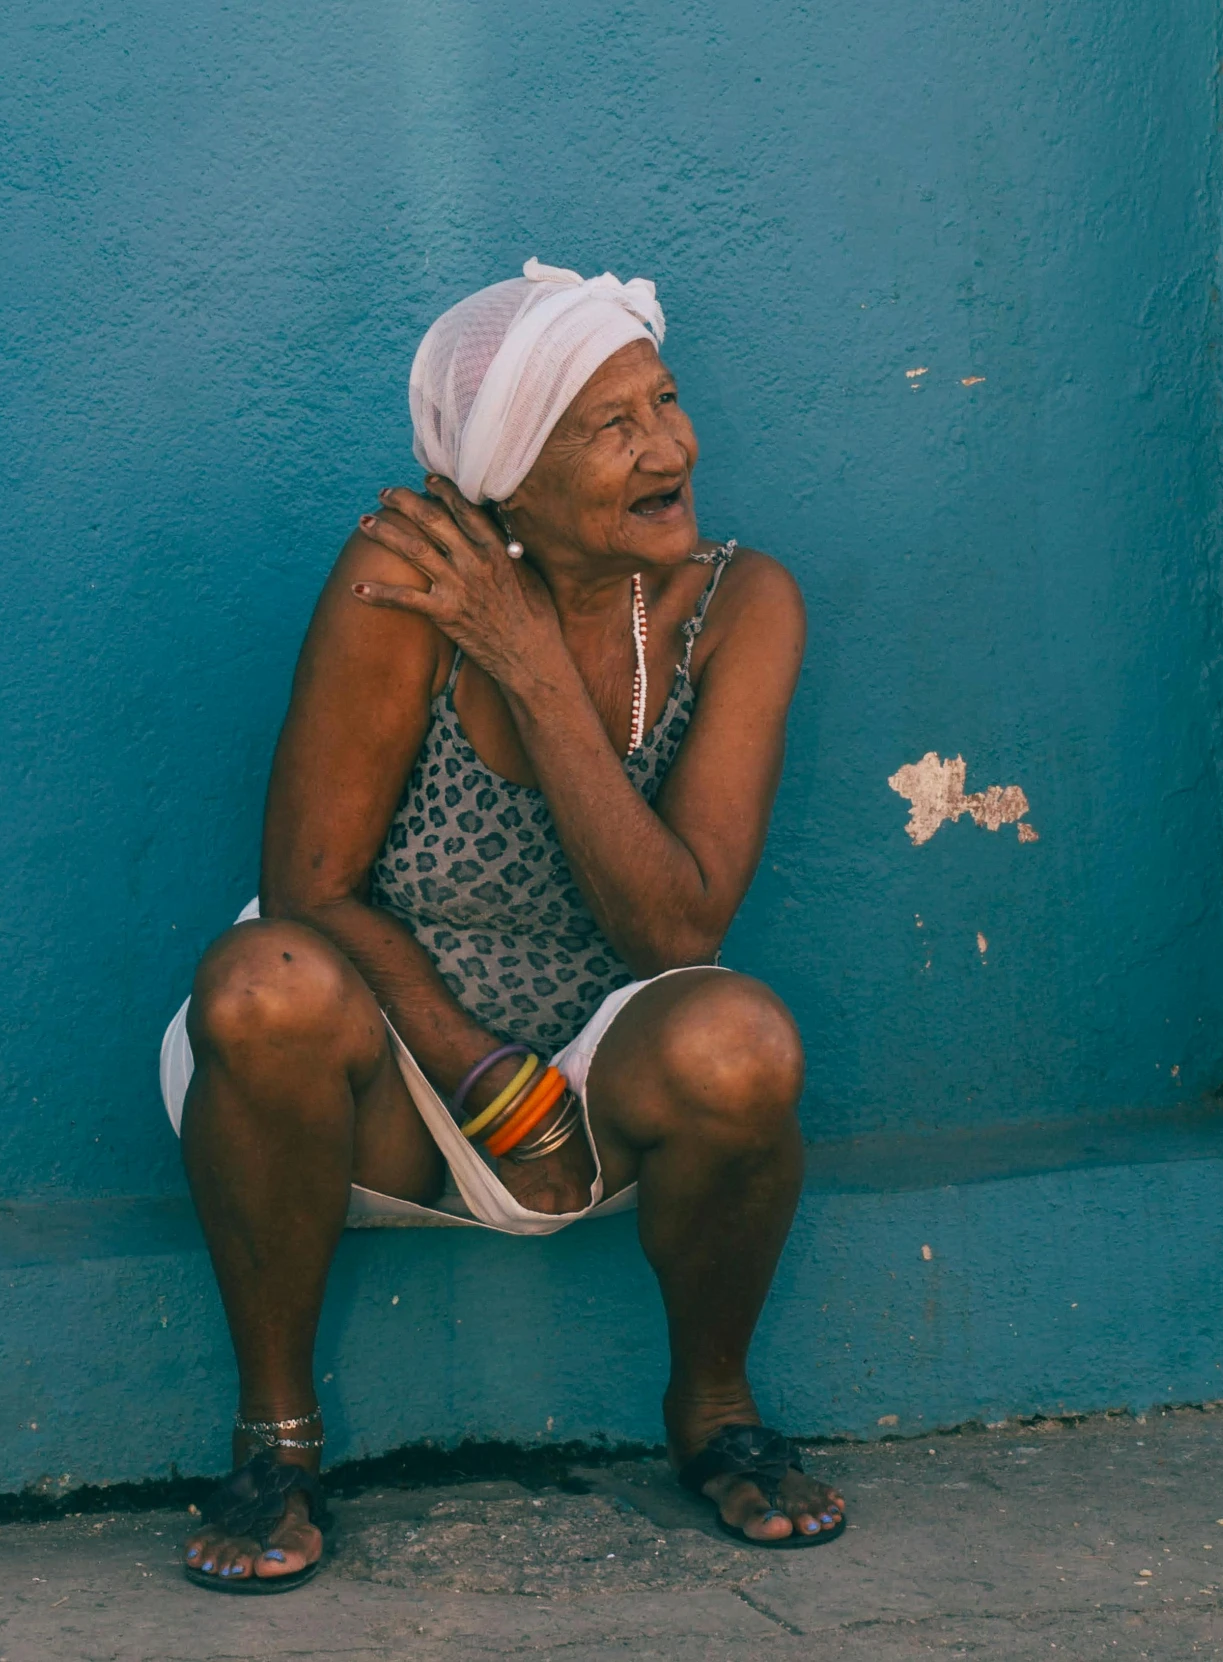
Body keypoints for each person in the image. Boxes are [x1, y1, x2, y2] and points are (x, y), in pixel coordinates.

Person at [156, 259, 839, 1592]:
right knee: (256, 984)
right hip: (383, 1070)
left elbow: (677, 934)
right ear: (509, 482)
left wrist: (528, 659)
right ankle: (274, 1444)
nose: (670, 447)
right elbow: (309, 890)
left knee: (744, 1040)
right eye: (612, 426)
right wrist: (472, 1066)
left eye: (666, 399)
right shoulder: (399, 580)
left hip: (588, 1076)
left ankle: (712, 1409)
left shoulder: (740, 607)